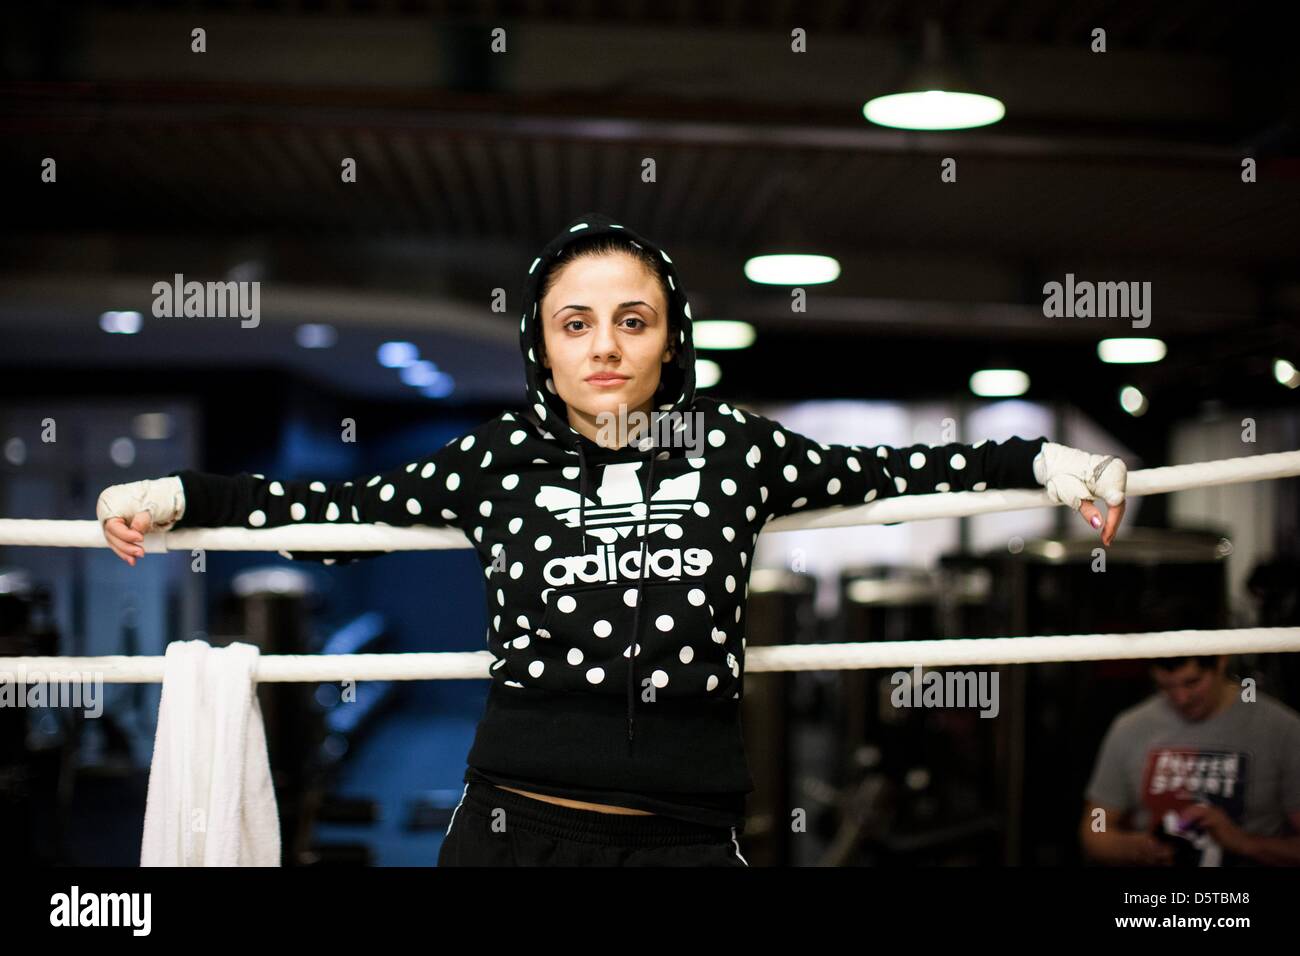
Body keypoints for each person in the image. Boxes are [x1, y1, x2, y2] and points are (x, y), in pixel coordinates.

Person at [98, 212, 1128, 866]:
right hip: (513, 823)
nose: (604, 345)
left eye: (631, 320)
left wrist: (1045, 462)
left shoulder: (729, 446)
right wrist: (181, 493)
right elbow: (337, 514)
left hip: (684, 832)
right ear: (541, 344)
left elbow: (897, 476)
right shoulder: (496, 457)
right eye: (574, 322)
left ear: (669, 333)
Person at [1080, 654, 1300, 866]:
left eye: (1192, 682)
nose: (1181, 698)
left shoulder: (1281, 728)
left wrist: (1245, 843)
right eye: (1166, 686)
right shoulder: (1129, 727)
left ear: (1221, 662)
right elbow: (1096, 826)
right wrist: (1131, 847)